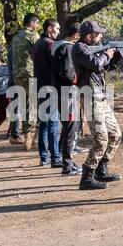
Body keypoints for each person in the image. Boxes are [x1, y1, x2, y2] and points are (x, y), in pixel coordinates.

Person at [72, 21, 123, 190]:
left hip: (101, 97)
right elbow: (96, 63)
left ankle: (101, 169)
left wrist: (120, 53)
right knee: (101, 140)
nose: (101, 36)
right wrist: (107, 53)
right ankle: (86, 177)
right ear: (89, 36)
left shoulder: (94, 50)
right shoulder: (79, 48)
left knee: (115, 134)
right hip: (90, 97)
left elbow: (106, 66)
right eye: (98, 34)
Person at [51, 22, 82, 175]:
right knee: (70, 128)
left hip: (63, 92)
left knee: (68, 129)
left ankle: (69, 163)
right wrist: (79, 78)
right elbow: (68, 74)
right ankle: (67, 167)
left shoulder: (59, 47)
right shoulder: (67, 48)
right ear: (76, 35)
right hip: (67, 93)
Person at [33, 19, 62, 167]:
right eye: (56, 28)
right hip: (50, 88)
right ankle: (56, 158)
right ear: (49, 28)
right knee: (53, 125)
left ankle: (44, 157)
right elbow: (56, 66)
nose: (58, 31)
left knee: (44, 125)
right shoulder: (50, 44)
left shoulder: (38, 43)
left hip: (40, 88)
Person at [11, 13, 40, 150]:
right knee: (39, 105)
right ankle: (36, 139)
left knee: (26, 106)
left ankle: (27, 138)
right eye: (37, 23)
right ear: (32, 23)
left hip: (17, 75)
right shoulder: (33, 35)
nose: (38, 26)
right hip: (30, 74)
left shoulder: (15, 37)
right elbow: (41, 52)